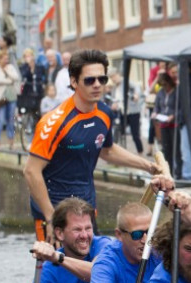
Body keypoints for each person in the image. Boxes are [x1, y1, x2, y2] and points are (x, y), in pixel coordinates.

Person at [23, 49, 172, 243]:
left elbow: (107, 149)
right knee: (58, 270)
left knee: (92, 270)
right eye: (89, 80)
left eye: (102, 79)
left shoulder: (104, 113)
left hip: (85, 208)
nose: (97, 85)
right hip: (55, 213)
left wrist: (147, 166)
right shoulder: (53, 122)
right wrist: (50, 217)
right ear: (74, 82)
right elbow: (31, 171)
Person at [0, 49, 20, 149]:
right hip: (0, 97)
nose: (6, 60)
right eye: (5, 58)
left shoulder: (10, 67)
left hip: (11, 96)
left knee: (10, 119)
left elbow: (16, 77)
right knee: (0, 119)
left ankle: (10, 141)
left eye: (7, 58)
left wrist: (7, 72)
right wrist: (9, 81)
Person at [154, 69, 181, 178]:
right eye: (162, 86)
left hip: (174, 125)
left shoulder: (176, 92)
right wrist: (155, 113)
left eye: (165, 85)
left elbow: (180, 107)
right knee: (166, 149)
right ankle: (169, 172)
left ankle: (178, 172)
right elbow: (157, 106)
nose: (164, 88)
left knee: (176, 149)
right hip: (164, 124)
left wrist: (173, 116)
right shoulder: (160, 92)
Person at [116, 71, 145, 156]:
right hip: (123, 111)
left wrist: (136, 95)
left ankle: (140, 152)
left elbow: (136, 87)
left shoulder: (125, 81)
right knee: (120, 131)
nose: (113, 79)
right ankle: (121, 152)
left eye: (114, 77)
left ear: (117, 75)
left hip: (133, 111)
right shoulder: (116, 86)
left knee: (135, 133)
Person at [18, 48, 47, 121]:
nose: (29, 58)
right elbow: (23, 76)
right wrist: (30, 68)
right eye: (26, 56)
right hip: (28, 94)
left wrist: (43, 84)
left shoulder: (40, 67)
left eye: (30, 56)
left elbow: (44, 78)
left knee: (38, 113)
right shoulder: (23, 67)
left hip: (38, 92)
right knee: (28, 113)